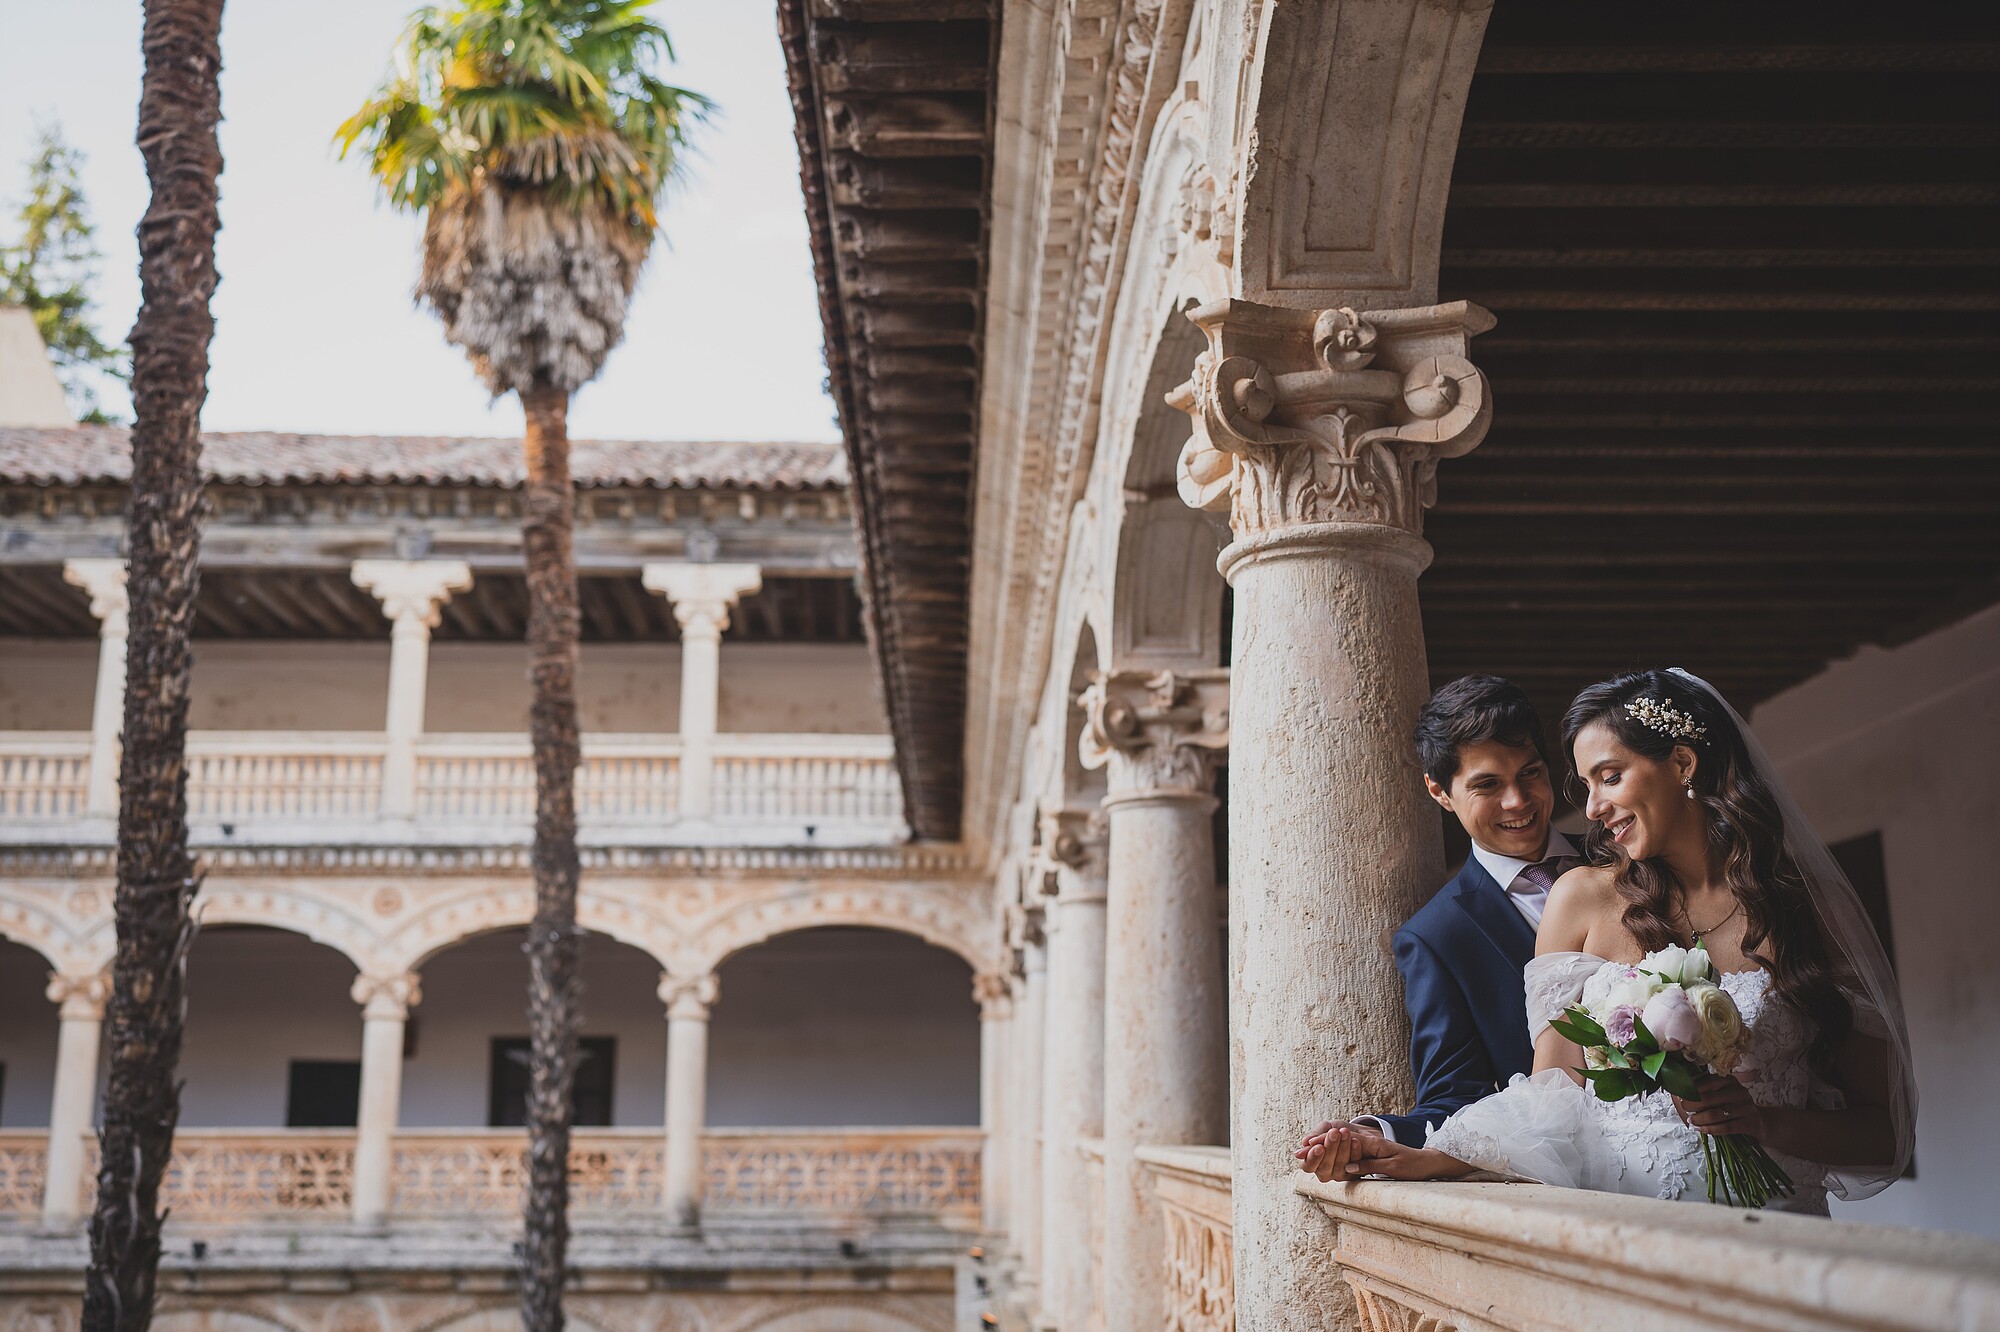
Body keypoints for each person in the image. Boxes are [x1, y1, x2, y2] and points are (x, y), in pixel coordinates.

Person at [1301, 669, 1916, 1212]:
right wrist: (1421, 1151)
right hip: (1628, 1234)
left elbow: (1882, 1135)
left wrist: (1762, 1122)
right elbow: (1549, 1099)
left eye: (1609, 777)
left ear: (1682, 763)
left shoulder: (1811, 911)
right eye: (1585, 786)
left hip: (1781, 1234)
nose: (1591, 809)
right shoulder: (1582, 898)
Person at [1299, 675, 1582, 1165]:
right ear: (1440, 792)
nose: (1518, 801)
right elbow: (1456, 1093)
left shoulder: (1622, 859)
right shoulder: (1435, 938)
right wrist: (1374, 1130)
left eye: (1530, 773)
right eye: (1487, 785)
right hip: (1574, 1167)